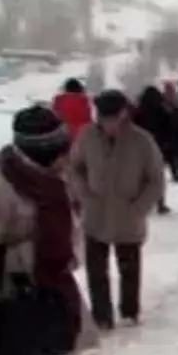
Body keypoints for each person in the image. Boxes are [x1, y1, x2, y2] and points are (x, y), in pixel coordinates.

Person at [0, 107, 92, 355]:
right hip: (14, 295)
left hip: (55, 287)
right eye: (58, 148)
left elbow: (70, 223)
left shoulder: (58, 179)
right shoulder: (3, 185)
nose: (64, 156)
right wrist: (21, 252)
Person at [70, 89, 166, 330]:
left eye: (113, 117)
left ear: (124, 114)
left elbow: (156, 179)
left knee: (129, 268)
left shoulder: (142, 140)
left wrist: (139, 208)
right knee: (96, 270)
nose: (108, 123)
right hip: (96, 213)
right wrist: (84, 195)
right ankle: (102, 315)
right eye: (104, 118)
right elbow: (75, 168)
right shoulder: (86, 136)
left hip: (128, 214)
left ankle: (129, 310)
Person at [133, 85, 178, 213]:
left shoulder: (138, 112)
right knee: (158, 177)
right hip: (159, 147)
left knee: (142, 177)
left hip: (141, 148)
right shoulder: (162, 111)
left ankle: (142, 203)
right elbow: (169, 128)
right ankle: (160, 203)